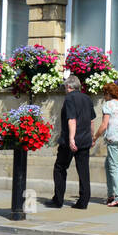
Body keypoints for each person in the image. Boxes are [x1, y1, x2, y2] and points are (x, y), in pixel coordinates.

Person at [47, 76, 95, 209]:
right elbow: (91, 120)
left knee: (60, 168)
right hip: (85, 140)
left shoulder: (69, 98)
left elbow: (71, 119)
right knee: (83, 171)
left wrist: (71, 139)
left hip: (70, 141)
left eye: (65, 87)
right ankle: (83, 201)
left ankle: (58, 199)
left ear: (69, 87)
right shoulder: (87, 98)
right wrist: (92, 137)